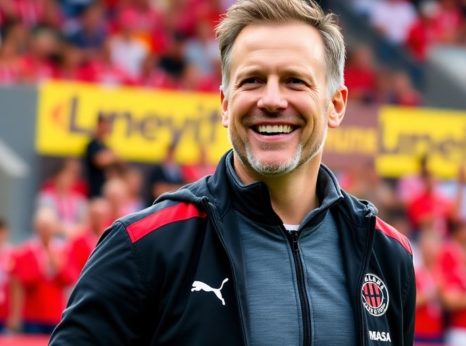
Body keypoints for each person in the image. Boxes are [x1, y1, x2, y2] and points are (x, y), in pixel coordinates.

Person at [50, 0, 416, 344]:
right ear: (225, 104)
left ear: (335, 105)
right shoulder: (144, 245)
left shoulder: (386, 252)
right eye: (252, 80)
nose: (271, 100)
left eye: (295, 81)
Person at [83, 115, 120, 198]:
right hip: (95, 191)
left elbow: (119, 160)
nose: (106, 129)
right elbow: (100, 161)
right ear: (98, 126)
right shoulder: (91, 145)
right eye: (104, 125)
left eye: (107, 126)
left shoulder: (106, 146)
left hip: (107, 192)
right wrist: (112, 156)